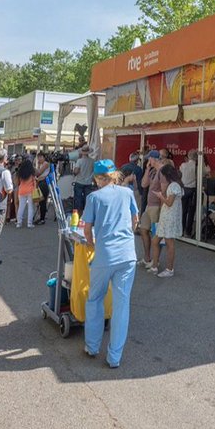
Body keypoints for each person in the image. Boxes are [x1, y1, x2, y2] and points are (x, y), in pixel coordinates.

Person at [80, 159, 139, 369]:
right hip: (127, 255)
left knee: (95, 299)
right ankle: (114, 357)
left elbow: (87, 229)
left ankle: (92, 346)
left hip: (105, 255)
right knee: (122, 306)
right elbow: (135, 219)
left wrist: (91, 243)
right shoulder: (127, 193)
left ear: (97, 178)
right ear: (115, 175)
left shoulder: (94, 197)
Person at [149, 163, 184, 277]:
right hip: (166, 217)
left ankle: (169, 269)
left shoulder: (174, 186)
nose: (162, 178)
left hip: (170, 217)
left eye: (163, 175)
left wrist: (160, 196)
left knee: (169, 243)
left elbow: (169, 203)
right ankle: (155, 265)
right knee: (156, 241)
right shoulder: (173, 185)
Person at [138, 150, 166, 267]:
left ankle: (156, 260)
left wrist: (162, 207)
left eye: (149, 159)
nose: (148, 161)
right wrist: (147, 169)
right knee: (143, 229)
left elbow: (164, 190)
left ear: (153, 159)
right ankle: (147, 257)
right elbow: (144, 184)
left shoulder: (162, 171)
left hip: (156, 206)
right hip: (149, 205)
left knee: (156, 233)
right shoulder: (153, 171)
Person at [180, 149, 199, 236]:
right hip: (193, 190)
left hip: (184, 189)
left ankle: (181, 230)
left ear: (188, 156)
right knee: (191, 212)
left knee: (183, 211)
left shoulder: (183, 165)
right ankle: (188, 231)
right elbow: (206, 171)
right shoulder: (197, 166)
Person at [14, 158, 37, 228]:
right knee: (30, 207)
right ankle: (29, 223)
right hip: (30, 191)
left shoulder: (20, 172)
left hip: (21, 191)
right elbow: (34, 182)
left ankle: (19, 223)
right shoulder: (32, 172)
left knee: (21, 207)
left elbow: (17, 182)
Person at [34, 153, 52, 225]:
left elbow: (38, 172)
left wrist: (34, 168)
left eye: (40, 157)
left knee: (42, 201)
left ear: (44, 157)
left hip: (44, 183)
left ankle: (42, 218)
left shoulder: (46, 164)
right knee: (38, 200)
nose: (39, 159)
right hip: (39, 182)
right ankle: (40, 217)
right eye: (38, 157)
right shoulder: (41, 164)